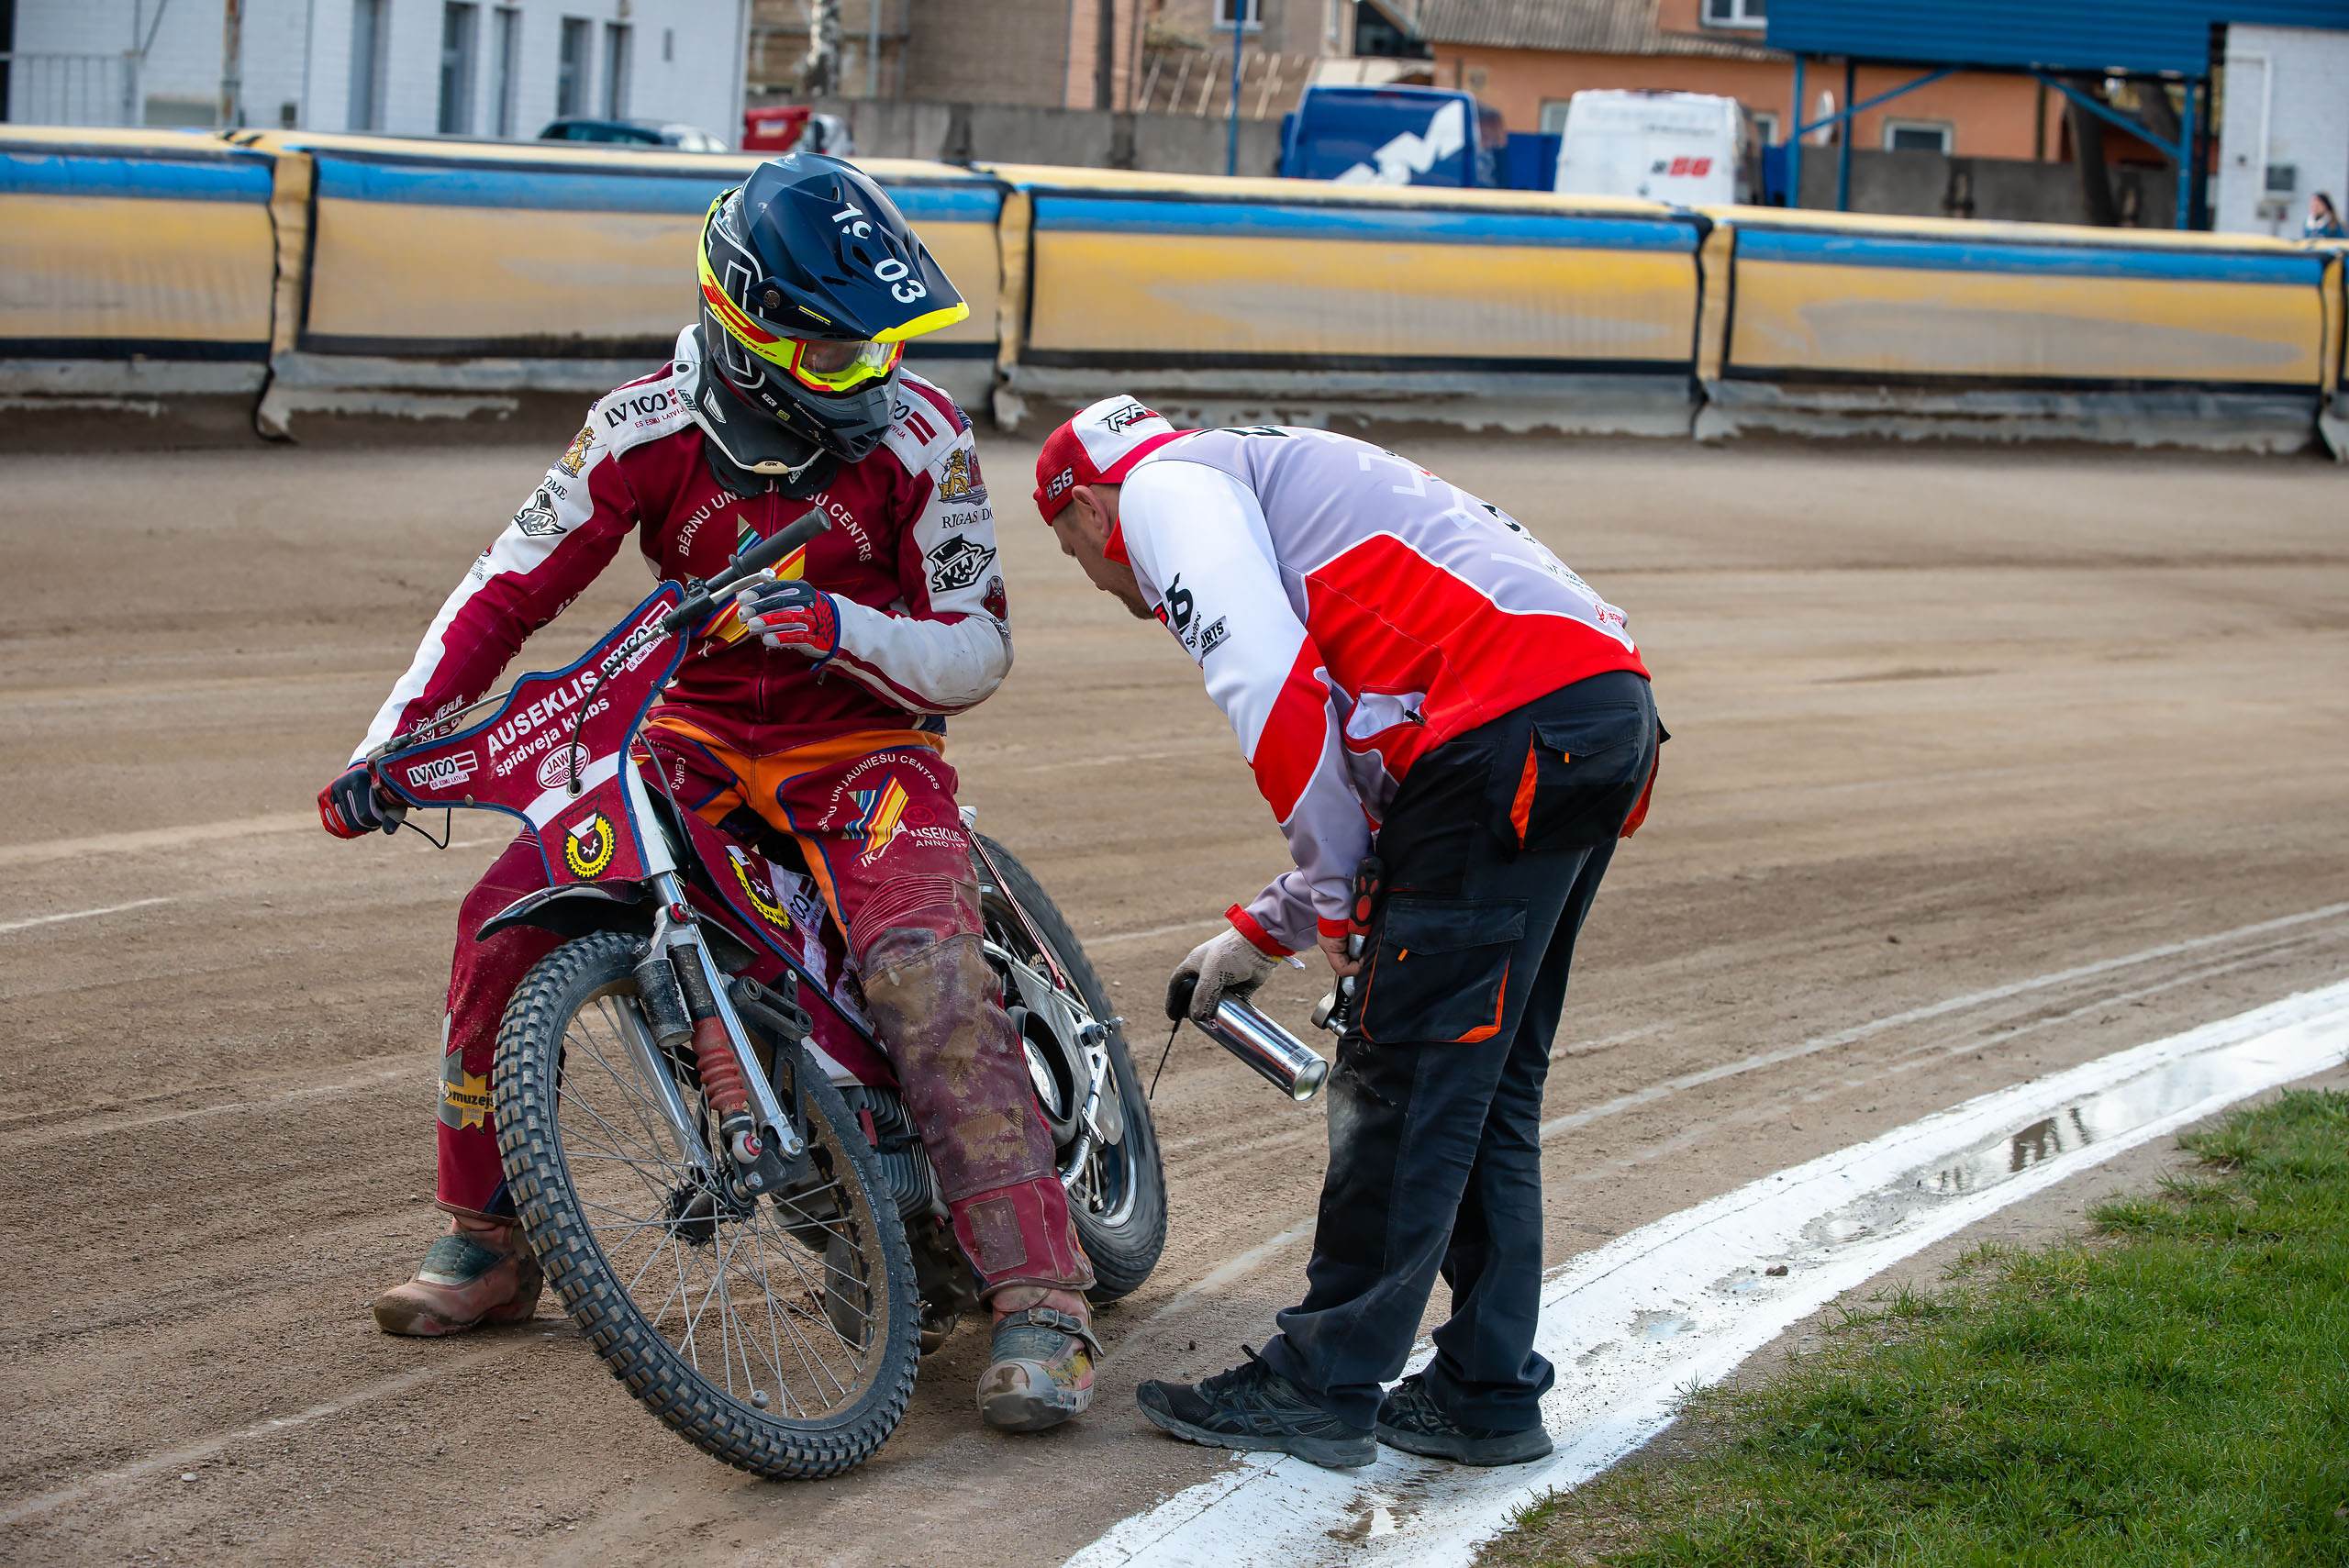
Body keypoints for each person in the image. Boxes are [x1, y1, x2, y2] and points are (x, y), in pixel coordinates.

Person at [319, 155, 1100, 1434]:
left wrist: (833, 621)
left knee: (922, 974)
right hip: (679, 738)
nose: (871, 374)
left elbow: (979, 648)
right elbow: (502, 592)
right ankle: (487, 1237)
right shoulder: (637, 430)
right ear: (741, 327)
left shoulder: (925, 434)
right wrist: (385, 747)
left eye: (881, 346)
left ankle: (1042, 1296)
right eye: (837, 352)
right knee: (502, 921)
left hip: (870, 749)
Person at [1033, 398, 1662, 1469]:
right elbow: (1374, 771)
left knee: (1400, 1078)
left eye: (1075, 558)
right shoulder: (1266, 474)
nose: (1106, 586)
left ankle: (1320, 1381)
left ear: (1087, 511)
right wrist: (1264, 930)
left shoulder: (1162, 494)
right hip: (1589, 709)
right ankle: (1483, 1386)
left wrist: (1332, 908)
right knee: (1485, 1081)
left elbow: (1276, 699)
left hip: (1502, 727)